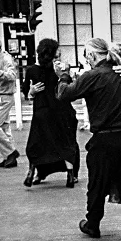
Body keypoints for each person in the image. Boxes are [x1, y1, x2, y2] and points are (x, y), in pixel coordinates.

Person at [55, 37, 121, 241]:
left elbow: (64, 94)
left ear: (91, 55)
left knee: (97, 185)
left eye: (86, 56)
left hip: (105, 140)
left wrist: (63, 75)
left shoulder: (92, 76)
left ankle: (93, 224)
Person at [23, 38, 81, 188]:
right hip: (62, 110)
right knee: (66, 142)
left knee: (37, 143)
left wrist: (31, 92)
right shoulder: (60, 70)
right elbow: (70, 88)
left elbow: (26, 92)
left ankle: (33, 171)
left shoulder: (32, 70)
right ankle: (71, 174)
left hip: (42, 110)